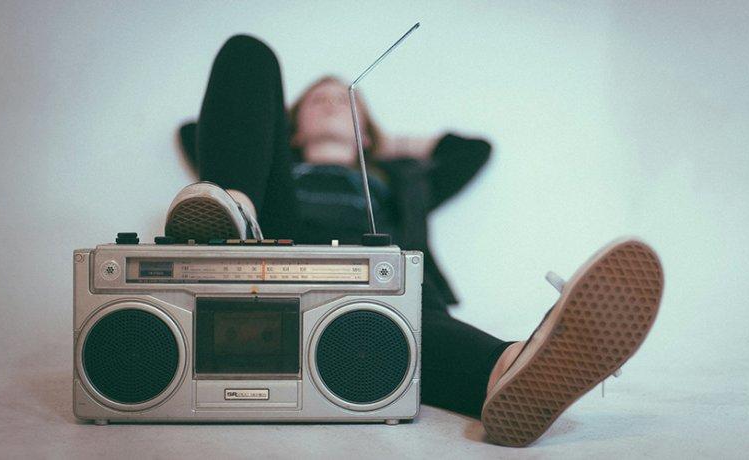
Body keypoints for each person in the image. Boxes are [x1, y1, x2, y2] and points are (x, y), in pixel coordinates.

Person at [167, 35, 664, 447]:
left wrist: (385, 143)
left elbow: (473, 151)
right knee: (248, 51)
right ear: (291, 126)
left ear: (367, 134)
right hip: (278, 248)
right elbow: (202, 131)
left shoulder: (404, 180)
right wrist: (264, 153)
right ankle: (235, 215)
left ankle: (512, 368)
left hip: (380, 280)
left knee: (408, 314)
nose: (331, 103)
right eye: (318, 101)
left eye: (346, 101)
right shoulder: (277, 171)